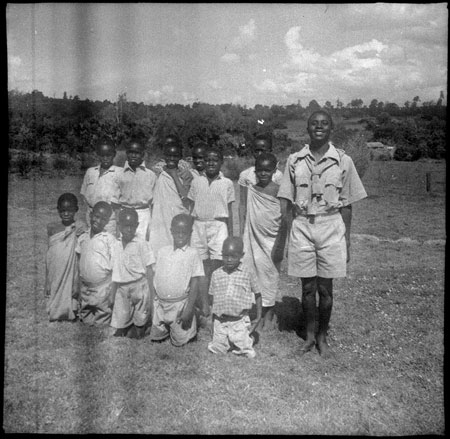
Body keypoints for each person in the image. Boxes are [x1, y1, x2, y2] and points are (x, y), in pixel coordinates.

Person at [277, 110, 367, 358]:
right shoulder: (294, 160)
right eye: (314, 124)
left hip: (331, 226)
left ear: (331, 129)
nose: (319, 127)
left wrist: (346, 240)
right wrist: (288, 237)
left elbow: (347, 204)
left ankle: (322, 336)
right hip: (303, 226)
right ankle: (307, 336)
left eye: (324, 124)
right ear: (307, 128)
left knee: (326, 290)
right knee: (307, 288)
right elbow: (286, 202)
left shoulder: (343, 161)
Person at [187, 147, 235, 318]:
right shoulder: (196, 181)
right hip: (198, 225)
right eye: (208, 160)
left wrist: (230, 234)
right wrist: (189, 229)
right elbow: (191, 207)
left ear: (221, 161)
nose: (211, 163)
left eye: (215, 159)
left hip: (218, 225)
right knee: (200, 266)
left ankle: (218, 301)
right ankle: (203, 303)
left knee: (218, 265)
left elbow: (229, 211)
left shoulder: (227, 183)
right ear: (203, 162)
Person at [242, 153, 288, 331]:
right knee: (252, 273)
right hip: (253, 238)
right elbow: (245, 211)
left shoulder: (279, 190)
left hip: (272, 240)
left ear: (274, 170)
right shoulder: (251, 189)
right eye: (259, 170)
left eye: (267, 170)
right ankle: (258, 312)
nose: (263, 174)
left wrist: (280, 245)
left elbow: (285, 219)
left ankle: (269, 314)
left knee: (269, 277)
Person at [150, 214, 204, 346]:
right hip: (161, 305)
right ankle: (164, 327)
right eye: (177, 232)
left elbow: (195, 282)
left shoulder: (192, 253)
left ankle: (191, 319)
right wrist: (154, 301)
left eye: (184, 232)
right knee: (157, 339)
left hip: (179, 306)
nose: (180, 235)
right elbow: (156, 276)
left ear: (190, 233)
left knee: (180, 342)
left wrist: (188, 309)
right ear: (171, 231)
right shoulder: (163, 252)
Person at [207, 237, 262, 358]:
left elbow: (258, 294)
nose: (229, 260)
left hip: (239, 320)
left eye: (233, 256)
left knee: (246, 352)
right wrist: (212, 321)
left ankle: (245, 338)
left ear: (241, 255)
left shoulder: (248, 272)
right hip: (220, 320)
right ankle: (226, 340)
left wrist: (258, 317)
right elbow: (212, 299)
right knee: (217, 349)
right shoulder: (216, 274)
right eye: (226, 256)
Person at [110, 208, 155, 339]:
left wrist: (151, 294)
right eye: (125, 226)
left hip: (139, 286)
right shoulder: (115, 244)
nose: (129, 229)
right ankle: (127, 325)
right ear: (119, 226)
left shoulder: (142, 244)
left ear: (137, 226)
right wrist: (112, 294)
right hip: (122, 288)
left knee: (139, 327)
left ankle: (142, 326)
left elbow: (149, 269)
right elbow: (114, 271)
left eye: (132, 226)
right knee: (120, 328)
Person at [149, 135, 193, 255]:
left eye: (175, 156)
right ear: (164, 157)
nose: (172, 158)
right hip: (161, 216)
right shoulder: (158, 172)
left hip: (177, 214)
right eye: (169, 156)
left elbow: (185, 195)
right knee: (160, 244)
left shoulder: (185, 174)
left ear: (180, 157)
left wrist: (174, 175)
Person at [45, 193, 86, 322]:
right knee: (55, 287)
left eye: (70, 210)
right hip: (56, 267)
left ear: (76, 210)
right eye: (63, 211)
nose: (66, 214)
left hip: (71, 266)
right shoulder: (53, 228)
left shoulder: (79, 227)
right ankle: (56, 310)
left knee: (71, 287)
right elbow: (50, 253)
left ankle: (71, 310)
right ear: (58, 210)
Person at [76, 201, 116, 326]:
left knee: (102, 312)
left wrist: (112, 290)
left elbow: (115, 266)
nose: (98, 221)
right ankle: (87, 323)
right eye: (96, 216)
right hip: (85, 285)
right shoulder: (83, 237)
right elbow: (78, 258)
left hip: (102, 287)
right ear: (90, 214)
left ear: (107, 221)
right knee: (85, 313)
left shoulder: (109, 239)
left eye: (103, 219)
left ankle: (101, 325)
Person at [111, 139, 157, 241]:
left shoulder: (150, 175)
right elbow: (115, 201)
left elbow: (154, 203)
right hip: (125, 212)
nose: (133, 155)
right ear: (127, 154)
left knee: (141, 243)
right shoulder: (120, 175)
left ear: (142, 154)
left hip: (143, 214)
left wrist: (152, 223)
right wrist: (118, 221)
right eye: (131, 152)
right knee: (123, 243)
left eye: (137, 153)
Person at [238, 133, 283, 236]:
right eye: (256, 150)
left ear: (270, 151)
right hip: (252, 226)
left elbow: (281, 206)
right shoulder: (246, 175)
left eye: (263, 150)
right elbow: (242, 205)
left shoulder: (278, 176)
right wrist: (242, 231)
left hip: (272, 227)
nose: (259, 154)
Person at [80, 139, 121, 235]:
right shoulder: (91, 172)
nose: (105, 158)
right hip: (91, 219)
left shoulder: (119, 173)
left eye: (108, 155)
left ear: (114, 154)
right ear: (98, 155)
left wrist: (118, 229)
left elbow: (119, 205)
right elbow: (84, 195)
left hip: (108, 222)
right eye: (102, 155)